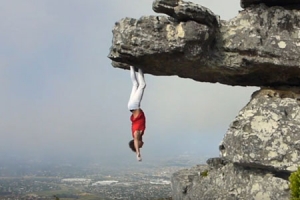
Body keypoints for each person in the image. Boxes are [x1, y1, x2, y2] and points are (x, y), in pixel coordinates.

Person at [127, 66, 146, 161]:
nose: (142, 145)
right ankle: (132, 66)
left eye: (140, 146)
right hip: (131, 107)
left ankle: (139, 66)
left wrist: (138, 153)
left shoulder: (137, 135)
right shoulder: (139, 134)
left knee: (142, 85)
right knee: (135, 84)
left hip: (134, 106)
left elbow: (135, 140)